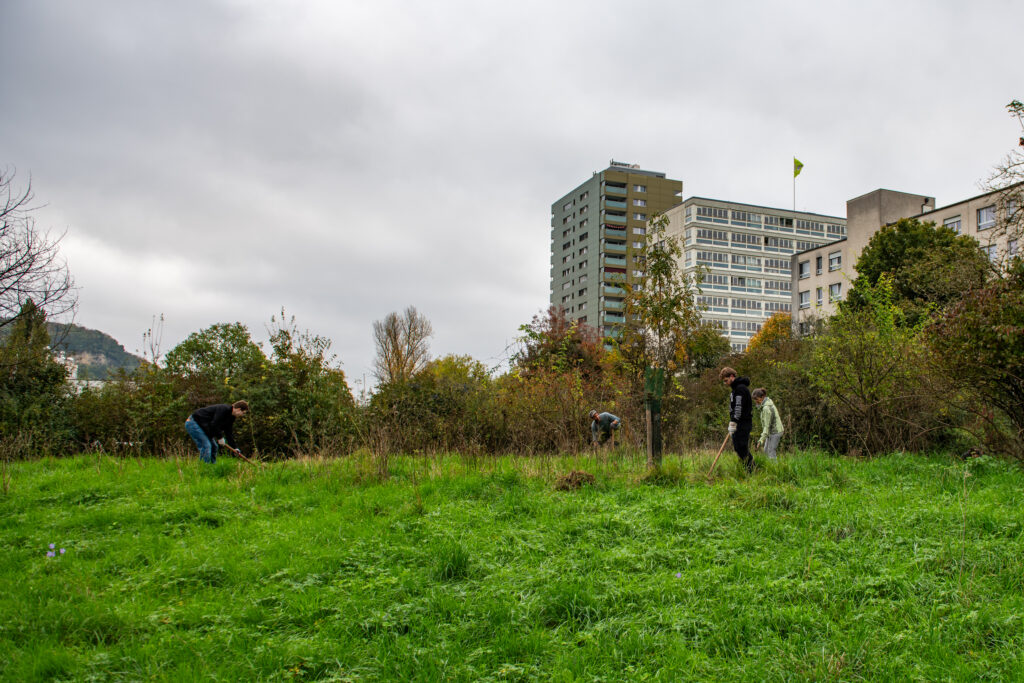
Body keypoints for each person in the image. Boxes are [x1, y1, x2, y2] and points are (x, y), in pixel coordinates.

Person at [719, 367, 754, 474]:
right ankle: (746, 468)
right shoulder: (735, 390)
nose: (725, 383)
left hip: (743, 423)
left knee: (742, 447)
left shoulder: (740, 389)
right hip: (738, 423)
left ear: (732, 376)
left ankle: (751, 470)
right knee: (738, 447)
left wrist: (733, 422)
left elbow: (738, 407)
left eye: (726, 380)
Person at [752, 388, 784, 460]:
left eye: (757, 399)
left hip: (775, 432)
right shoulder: (766, 404)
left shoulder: (766, 408)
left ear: (762, 397)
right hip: (770, 432)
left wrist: (760, 441)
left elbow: (766, 427)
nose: (756, 401)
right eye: (754, 400)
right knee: (766, 451)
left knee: (771, 452)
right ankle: (769, 467)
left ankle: (775, 469)